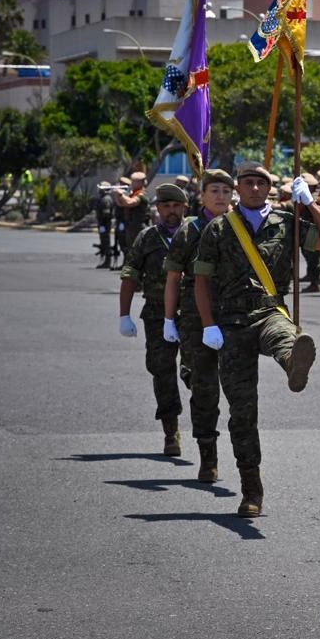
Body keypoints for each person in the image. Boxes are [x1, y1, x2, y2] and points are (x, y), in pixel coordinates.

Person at [192, 162, 320, 517]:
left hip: (269, 309)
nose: (255, 188)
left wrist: (310, 204)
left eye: (262, 183)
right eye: (249, 183)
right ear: (238, 189)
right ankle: (251, 489)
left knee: (286, 336)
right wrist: (208, 324)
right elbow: (201, 281)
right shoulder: (218, 229)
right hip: (230, 323)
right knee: (242, 413)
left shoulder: (286, 223)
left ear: (270, 188)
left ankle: (293, 362)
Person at [161, 169, 234, 482]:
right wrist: (168, 318)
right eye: (214, 190)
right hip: (194, 317)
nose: (220, 196)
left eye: (225, 191)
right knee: (204, 389)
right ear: (201, 196)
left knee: (237, 387)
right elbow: (174, 277)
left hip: (234, 313)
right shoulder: (189, 231)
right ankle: (208, 456)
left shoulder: (242, 226)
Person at [118, 184, 189, 456]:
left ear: (185, 208)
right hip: (157, 314)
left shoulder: (197, 234)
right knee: (161, 369)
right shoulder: (147, 238)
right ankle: (171, 431)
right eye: (166, 206)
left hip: (192, 312)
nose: (171, 211)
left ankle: (190, 374)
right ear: (157, 209)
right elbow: (130, 275)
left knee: (195, 369)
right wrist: (124, 315)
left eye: (176, 206)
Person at [114, 171, 152, 249]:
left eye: (134, 182)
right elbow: (121, 204)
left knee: (138, 249)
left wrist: (121, 194)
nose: (132, 183)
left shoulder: (142, 194)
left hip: (138, 226)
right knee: (130, 249)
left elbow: (130, 202)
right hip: (131, 225)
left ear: (140, 183)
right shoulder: (133, 193)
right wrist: (117, 196)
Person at [94, 182, 115, 269]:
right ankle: (106, 261)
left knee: (106, 242)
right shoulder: (103, 198)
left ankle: (108, 261)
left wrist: (102, 223)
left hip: (105, 224)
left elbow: (106, 213)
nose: (99, 190)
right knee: (104, 242)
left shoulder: (106, 199)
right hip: (103, 224)